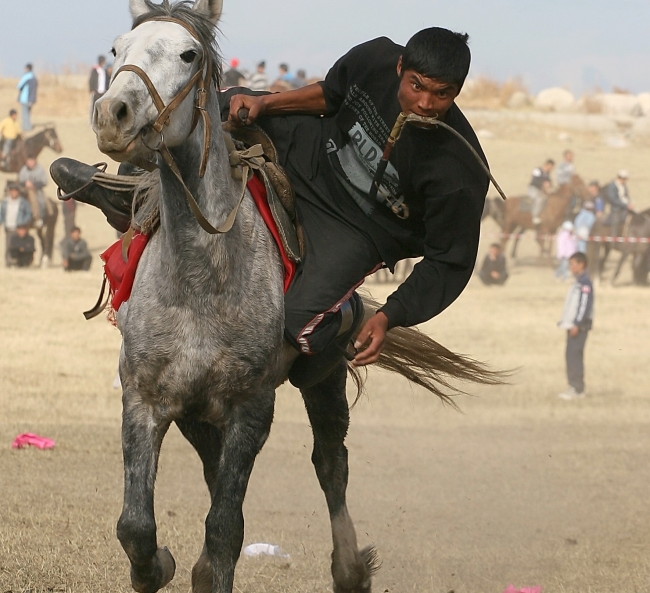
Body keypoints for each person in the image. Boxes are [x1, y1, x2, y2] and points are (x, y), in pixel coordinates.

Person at [56, 27, 490, 384]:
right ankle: (129, 192)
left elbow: (447, 263)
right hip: (312, 153)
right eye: (416, 86)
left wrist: (391, 316)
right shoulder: (376, 58)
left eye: (442, 95)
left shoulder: (459, 172)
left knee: (296, 323)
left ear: (458, 92)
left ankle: (351, 313)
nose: (425, 104)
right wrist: (265, 103)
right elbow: (329, 95)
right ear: (399, 67)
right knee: (220, 106)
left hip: (358, 228)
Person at [558, 251, 593, 399]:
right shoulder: (578, 281)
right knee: (570, 356)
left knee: (574, 357)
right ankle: (573, 386)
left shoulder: (585, 283)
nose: (571, 267)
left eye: (573, 264)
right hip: (571, 326)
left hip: (579, 328)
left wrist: (577, 324)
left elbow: (584, 306)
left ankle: (577, 389)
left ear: (581, 264)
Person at [0, 183, 32, 265]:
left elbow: (28, 213)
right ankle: (8, 262)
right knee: (8, 245)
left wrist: (23, 223)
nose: (14, 193)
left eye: (15, 191)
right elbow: (2, 214)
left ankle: (19, 262)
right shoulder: (5, 202)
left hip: (18, 227)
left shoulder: (23, 202)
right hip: (8, 227)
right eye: (12, 191)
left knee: (19, 246)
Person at [18, 156, 48, 225]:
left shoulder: (40, 169)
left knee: (39, 201)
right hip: (25, 189)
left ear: (35, 161)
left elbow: (44, 181)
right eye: (29, 162)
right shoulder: (24, 169)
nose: (30, 163)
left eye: (32, 161)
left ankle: (37, 216)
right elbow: (20, 180)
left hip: (36, 190)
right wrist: (25, 183)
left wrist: (33, 185)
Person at [603, 169, 632, 237]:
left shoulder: (623, 186)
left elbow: (626, 196)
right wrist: (625, 205)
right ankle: (613, 238)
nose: (625, 180)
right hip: (616, 209)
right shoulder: (612, 186)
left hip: (625, 208)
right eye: (624, 178)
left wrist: (629, 203)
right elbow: (613, 199)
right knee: (616, 222)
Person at [527, 159, 555, 225]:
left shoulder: (548, 174)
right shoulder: (537, 170)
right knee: (539, 199)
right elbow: (535, 180)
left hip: (542, 191)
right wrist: (543, 184)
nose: (552, 169)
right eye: (551, 167)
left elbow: (550, 182)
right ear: (548, 165)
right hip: (533, 189)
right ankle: (535, 216)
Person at [17, 63, 38, 132]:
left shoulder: (26, 76)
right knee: (28, 114)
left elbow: (19, 86)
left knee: (24, 114)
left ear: (27, 69)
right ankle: (28, 126)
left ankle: (27, 128)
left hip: (25, 99)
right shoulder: (34, 77)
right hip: (32, 99)